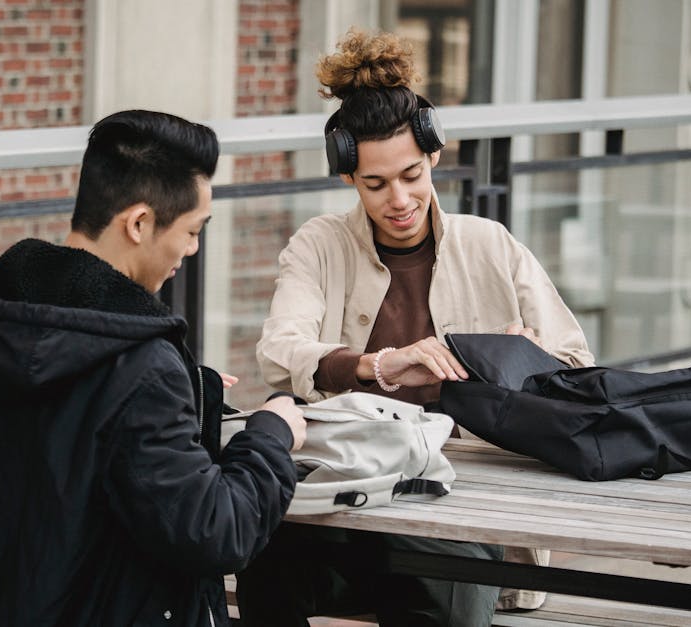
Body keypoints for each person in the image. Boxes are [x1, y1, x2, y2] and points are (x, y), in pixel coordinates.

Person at [241, 29, 594, 626]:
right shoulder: (320, 246)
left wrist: (523, 365)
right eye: (375, 184)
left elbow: (578, 366)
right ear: (348, 176)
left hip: (462, 504)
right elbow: (281, 352)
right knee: (261, 545)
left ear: (433, 155)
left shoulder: (490, 245)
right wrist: (376, 365)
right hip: (347, 495)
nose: (399, 199)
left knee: (441, 590)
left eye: (411, 175)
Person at [0, 110, 306, 627]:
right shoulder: (139, 365)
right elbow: (214, 531)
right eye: (191, 230)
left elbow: (54, 445)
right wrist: (271, 434)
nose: (192, 248)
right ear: (139, 223)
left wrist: (188, 387)